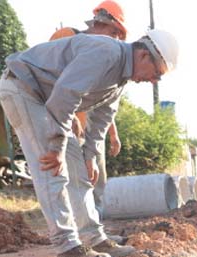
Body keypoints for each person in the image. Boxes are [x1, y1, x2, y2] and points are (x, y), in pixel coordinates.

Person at [0, 29, 179, 257]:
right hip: (23, 88)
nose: (153, 81)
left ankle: (93, 238)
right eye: (157, 74)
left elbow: (103, 117)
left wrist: (91, 156)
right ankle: (67, 247)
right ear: (144, 55)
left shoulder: (120, 79)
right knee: (51, 167)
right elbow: (65, 94)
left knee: (78, 171)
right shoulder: (106, 53)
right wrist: (55, 148)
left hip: (50, 101)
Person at [49, 0, 127, 217]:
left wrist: (113, 134)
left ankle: (97, 219)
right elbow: (52, 80)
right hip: (64, 123)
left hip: (88, 129)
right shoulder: (67, 37)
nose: (116, 40)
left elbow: (104, 101)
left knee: (96, 175)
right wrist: (69, 115)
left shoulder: (104, 56)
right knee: (71, 178)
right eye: (114, 33)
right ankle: (74, 222)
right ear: (101, 23)